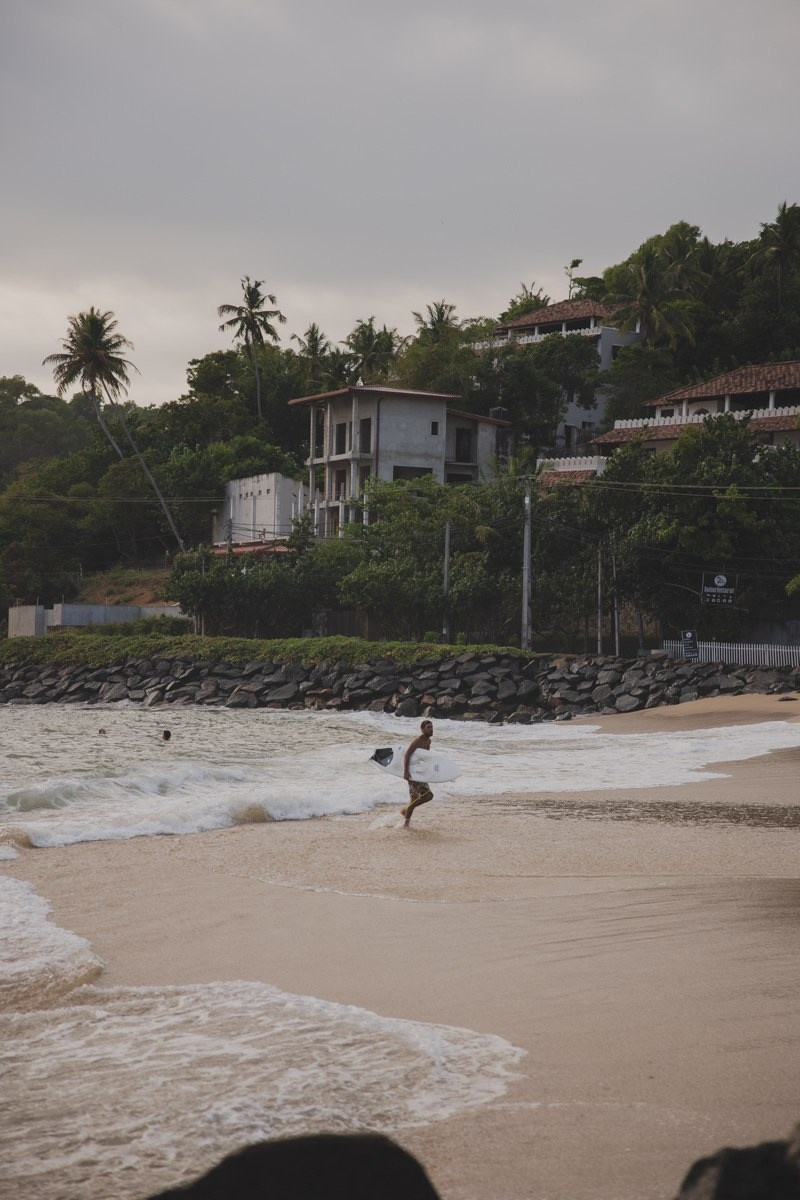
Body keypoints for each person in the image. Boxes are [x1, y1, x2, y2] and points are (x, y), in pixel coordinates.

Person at [401, 719, 434, 829]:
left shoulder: (428, 741)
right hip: (413, 773)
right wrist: (406, 771)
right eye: (428, 727)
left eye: (431, 727)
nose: (431, 729)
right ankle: (406, 817)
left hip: (420, 772)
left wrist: (429, 771)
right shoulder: (417, 741)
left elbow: (426, 758)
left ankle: (406, 819)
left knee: (414, 798)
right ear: (422, 729)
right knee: (428, 796)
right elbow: (407, 754)